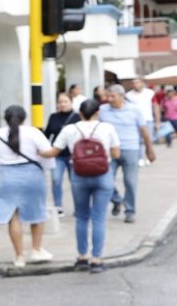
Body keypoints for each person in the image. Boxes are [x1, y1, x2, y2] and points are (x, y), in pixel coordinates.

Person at [39, 99, 120, 273]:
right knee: (99, 218)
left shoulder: (69, 129)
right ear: (97, 112)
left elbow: (53, 152)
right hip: (103, 176)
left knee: (82, 217)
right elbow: (116, 153)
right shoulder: (107, 128)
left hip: (79, 176)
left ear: (80, 113)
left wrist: (36, 151)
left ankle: (82, 258)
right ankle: (96, 259)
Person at [0, 105, 55, 268]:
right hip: (32, 175)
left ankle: (19, 256)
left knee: (13, 216)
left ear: (5, 118)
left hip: (7, 176)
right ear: (25, 117)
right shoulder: (34, 132)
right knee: (37, 212)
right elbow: (47, 157)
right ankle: (36, 249)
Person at [99, 84, 155, 224]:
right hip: (110, 150)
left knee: (130, 182)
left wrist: (149, 150)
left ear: (122, 96)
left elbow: (144, 132)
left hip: (130, 149)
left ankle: (130, 211)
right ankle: (117, 200)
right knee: (105, 181)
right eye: (108, 96)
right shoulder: (102, 110)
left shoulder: (135, 110)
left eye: (113, 96)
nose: (109, 99)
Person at [43, 92, 80, 217]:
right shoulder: (53, 117)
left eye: (65, 101)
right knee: (56, 180)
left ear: (71, 102)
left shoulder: (78, 117)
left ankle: (79, 207)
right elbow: (47, 134)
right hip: (57, 154)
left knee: (75, 182)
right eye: (60, 102)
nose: (62, 104)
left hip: (74, 155)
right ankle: (58, 206)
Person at [126, 77, 159, 166]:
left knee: (149, 139)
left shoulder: (150, 93)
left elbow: (155, 106)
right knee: (138, 140)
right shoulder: (129, 95)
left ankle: (148, 156)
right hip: (134, 120)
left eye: (137, 83)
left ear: (142, 83)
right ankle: (140, 158)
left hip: (148, 119)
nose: (135, 85)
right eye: (134, 83)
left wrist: (157, 121)